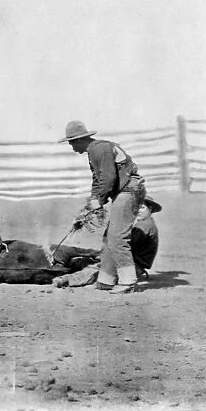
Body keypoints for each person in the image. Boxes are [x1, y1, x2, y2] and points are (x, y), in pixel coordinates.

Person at [59, 120, 145, 294]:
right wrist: (93, 200)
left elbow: (108, 177)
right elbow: (98, 180)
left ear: (80, 140)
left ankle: (128, 282)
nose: (71, 147)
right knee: (109, 238)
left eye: (71, 142)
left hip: (129, 190)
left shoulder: (99, 149)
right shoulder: (94, 151)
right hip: (123, 192)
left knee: (118, 237)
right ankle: (106, 279)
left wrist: (99, 199)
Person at [53, 195, 161, 288]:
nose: (137, 210)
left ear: (150, 209)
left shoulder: (145, 226)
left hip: (131, 265)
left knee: (97, 271)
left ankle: (66, 280)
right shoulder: (144, 224)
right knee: (87, 262)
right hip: (128, 262)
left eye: (141, 207)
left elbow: (124, 246)